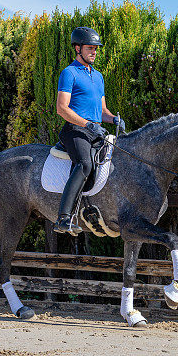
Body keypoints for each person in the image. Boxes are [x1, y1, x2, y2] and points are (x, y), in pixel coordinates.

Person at [54, 27, 125, 234]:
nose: (94, 52)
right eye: (90, 48)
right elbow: (62, 108)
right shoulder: (69, 73)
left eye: (96, 49)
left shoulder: (99, 76)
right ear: (77, 48)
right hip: (75, 130)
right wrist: (87, 124)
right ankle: (63, 218)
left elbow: (102, 111)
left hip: (95, 131)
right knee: (84, 164)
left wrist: (113, 119)